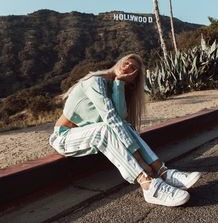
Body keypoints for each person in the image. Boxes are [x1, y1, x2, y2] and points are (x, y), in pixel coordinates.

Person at [49, 54, 201, 207]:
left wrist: (119, 83)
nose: (128, 67)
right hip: (63, 137)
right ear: (119, 62)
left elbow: (120, 117)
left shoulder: (113, 85)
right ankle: (147, 184)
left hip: (87, 135)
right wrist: (139, 160)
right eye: (127, 63)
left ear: (133, 79)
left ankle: (163, 171)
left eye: (133, 68)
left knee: (125, 125)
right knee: (104, 130)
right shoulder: (95, 82)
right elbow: (111, 119)